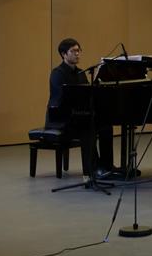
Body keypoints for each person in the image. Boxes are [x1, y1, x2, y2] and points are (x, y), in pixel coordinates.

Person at [46, 38, 114, 180]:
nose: (77, 54)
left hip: (78, 116)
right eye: (73, 51)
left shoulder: (81, 73)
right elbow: (60, 100)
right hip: (61, 120)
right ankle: (91, 171)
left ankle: (106, 166)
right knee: (88, 128)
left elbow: (87, 96)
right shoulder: (57, 73)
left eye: (78, 50)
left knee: (106, 126)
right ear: (64, 54)